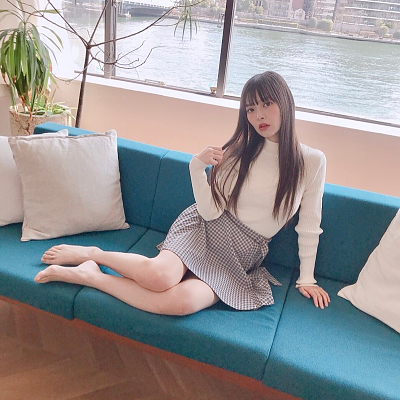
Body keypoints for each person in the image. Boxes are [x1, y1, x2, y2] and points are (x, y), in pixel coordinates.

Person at [34, 71, 330, 315]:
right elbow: (210, 212)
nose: (259, 115)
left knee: (182, 302)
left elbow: (309, 225)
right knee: (159, 277)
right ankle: (94, 254)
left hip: (239, 255)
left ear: (285, 103)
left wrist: (306, 279)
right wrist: (196, 167)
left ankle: (91, 276)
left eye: (266, 104)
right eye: (251, 109)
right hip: (205, 227)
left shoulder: (311, 161)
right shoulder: (239, 152)